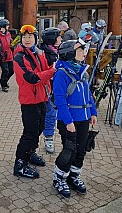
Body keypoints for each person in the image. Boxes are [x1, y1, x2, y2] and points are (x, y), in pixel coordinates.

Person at [52, 39, 98, 198]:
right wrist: (68, 121)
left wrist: (93, 112)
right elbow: (59, 100)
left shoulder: (82, 72)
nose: (83, 53)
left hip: (84, 118)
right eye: (80, 50)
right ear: (69, 53)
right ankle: (59, 177)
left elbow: (88, 94)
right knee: (69, 151)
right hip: (69, 120)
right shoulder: (61, 74)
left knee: (81, 149)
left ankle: (73, 176)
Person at [13, 25, 55, 178]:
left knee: (40, 128)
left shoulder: (39, 53)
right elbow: (32, 78)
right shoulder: (19, 57)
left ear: (36, 38)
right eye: (24, 37)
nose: (27, 39)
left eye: (30, 37)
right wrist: (52, 71)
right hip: (29, 101)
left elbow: (46, 69)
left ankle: (30, 153)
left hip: (42, 98)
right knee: (30, 132)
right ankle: (20, 163)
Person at [39, 27, 63, 154]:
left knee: (53, 113)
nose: (60, 39)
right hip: (45, 88)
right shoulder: (42, 53)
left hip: (59, 88)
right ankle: (46, 137)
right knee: (48, 113)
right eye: (58, 37)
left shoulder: (60, 51)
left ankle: (51, 137)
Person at [0, 19, 14, 92]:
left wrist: (13, 43)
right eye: (7, 25)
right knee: (5, 71)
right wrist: (0, 53)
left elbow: (10, 41)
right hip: (3, 56)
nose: (8, 27)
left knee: (12, 70)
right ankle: (4, 85)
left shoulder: (8, 34)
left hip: (9, 55)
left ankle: (4, 81)